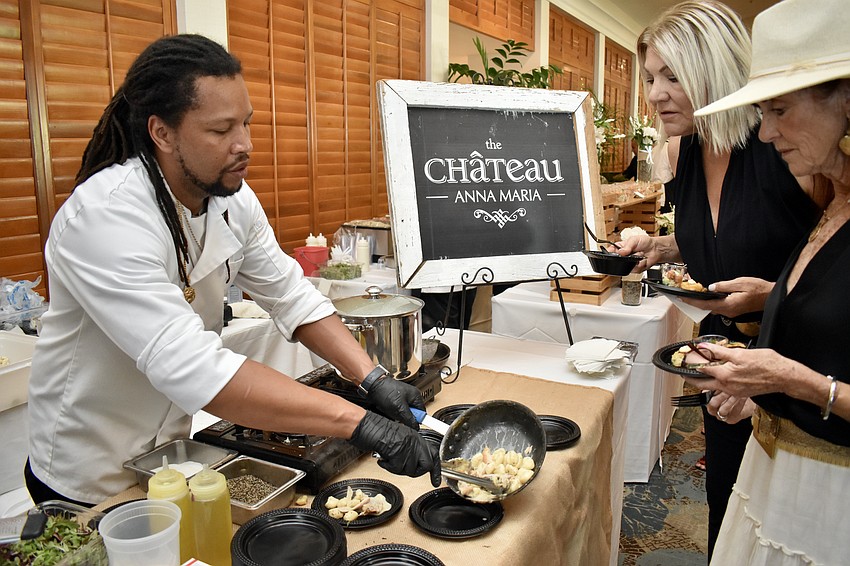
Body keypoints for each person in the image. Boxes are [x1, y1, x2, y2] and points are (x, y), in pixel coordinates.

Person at [25, 34, 440, 506]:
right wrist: (359, 422)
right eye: (222, 131)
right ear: (162, 133)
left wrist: (372, 378)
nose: (244, 144)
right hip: (85, 473)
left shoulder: (233, 201)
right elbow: (198, 369)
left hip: (166, 458)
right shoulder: (105, 217)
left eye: (246, 123)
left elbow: (292, 297)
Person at [618, 1, 826, 557]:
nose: (655, 94)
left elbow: (836, 256)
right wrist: (657, 245)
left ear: (715, 69)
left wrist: (774, 295)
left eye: (673, 76)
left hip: (802, 365)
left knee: (794, 527)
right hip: (725, 363)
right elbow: (713, 235)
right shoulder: (683, 149)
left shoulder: (785, 144)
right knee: (729, 510)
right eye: (650, 78)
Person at [688, 1, 850, 562]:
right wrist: (766, 393)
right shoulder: (833, 204)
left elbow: (822, 376)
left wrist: (793, 380)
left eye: (779, 109)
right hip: (783, 480)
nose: (766, 133)